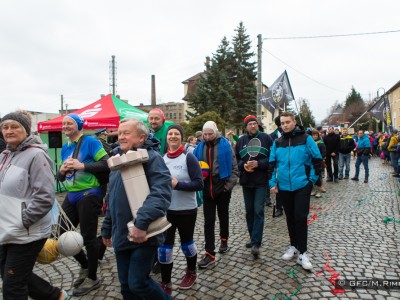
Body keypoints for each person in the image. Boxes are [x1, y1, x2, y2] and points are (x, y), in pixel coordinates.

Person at [0, 112, 70, 299]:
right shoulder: (6, 155)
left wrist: (23, 221)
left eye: (14, 126)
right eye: (5, 127)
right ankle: (55, 296)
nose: (9, 131)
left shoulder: (36, 155)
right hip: (7, 229)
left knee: (13, 286)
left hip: (26, 232)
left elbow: (45, 197)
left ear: (26, 129)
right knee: (11, 275)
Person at [101, 118, 172, 299]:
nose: (121, 136)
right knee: (126, 287)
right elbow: (111, 199)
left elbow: (160, 194)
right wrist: (107, 229)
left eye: (126, 133)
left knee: (138, 283)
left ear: (141, 138)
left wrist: (141, 223)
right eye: (120, 132)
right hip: (121, 235)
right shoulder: (117, 161)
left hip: (144, 234)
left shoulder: (152, 158)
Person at [57, 113, 109, 296]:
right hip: (71, 194)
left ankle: (93, 277)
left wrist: (83, 166)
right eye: (64, 123)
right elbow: (61, 177)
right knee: (60, 233)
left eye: (69, 123)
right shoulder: (66, 147)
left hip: (89, 193)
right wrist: (61, 170)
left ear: (79, 125)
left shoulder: (90, 142)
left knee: (88, 236)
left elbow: (106, 164)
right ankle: (86, 264)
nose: (65, 126)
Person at [268, 112, 322, 270]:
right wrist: (272, 183)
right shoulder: (277, 142)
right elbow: (272, 164)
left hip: (302, 185)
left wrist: (311, 180)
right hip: (284, 186)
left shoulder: (306, 138)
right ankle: (293, 246)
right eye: (282, 123)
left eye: (287, 122)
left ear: (294, 122)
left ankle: (303, 253)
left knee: (300, 217)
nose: (284, 125)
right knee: (290, 217)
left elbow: (317, 160)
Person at [158, 124, 204, 294]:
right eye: (170, 134)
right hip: (167, 211)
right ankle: (165, 282)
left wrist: (178, 185)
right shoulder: (162, 158)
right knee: (164, 248)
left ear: (181, 138)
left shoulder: (188, 157)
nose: (173, 136)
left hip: (186, 210)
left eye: (177, 134)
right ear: (167, 138)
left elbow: (199, 183)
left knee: (187, 245)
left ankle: (191, 272)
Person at [193, 121, 238, 268]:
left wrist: (226, 187)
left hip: (222, 186)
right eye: (204, 134)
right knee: (208, 221)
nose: (206, 137)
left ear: (216, 132)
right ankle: (209, 253)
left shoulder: (226, 145)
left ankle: (224, 239)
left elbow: (234, 169)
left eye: (209, 133)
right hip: (206, 188)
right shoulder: (199, 147)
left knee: (223, 215)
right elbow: (193, 167)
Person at [235, 115, 273, 258]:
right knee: (249, 212)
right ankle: (253, 238)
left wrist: (259, 164)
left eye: (254, 123)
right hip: (246, 181)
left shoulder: (266, 138)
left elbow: (272, 157)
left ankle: (256, 243)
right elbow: (237, 158)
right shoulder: (240, 141)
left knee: (258, 211)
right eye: (250, 124)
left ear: (258, 125)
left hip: (261, 181)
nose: (252, 126)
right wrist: (243, 166)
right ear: (246, 127)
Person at [269, 115, 284, 215]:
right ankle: (279, 208)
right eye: (282, 123)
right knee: (278, 187)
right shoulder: (272, 136)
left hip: (288, 164)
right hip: (277, 164)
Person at [311, 130, 326, 198]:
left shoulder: (321, 143)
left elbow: (324, 152)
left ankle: (319, 191)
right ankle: (314, 190)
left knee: (318, 176)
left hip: (318, 162)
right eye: (314, 135)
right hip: (311, 162)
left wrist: (320, 158)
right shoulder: (310, 143)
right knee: (312, 176)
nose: (315, 136)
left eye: (316, 135)